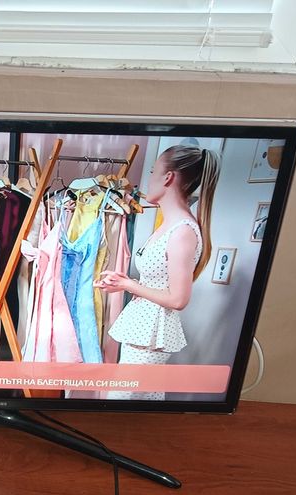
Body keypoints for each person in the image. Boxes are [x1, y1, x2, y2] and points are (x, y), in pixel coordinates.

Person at [94, 145, 221, 400]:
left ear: (168, 177)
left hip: (152, 331)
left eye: (153, 171)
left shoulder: (182, 231)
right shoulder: (169, 226)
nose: (148, 179)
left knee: (125, 399)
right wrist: (126, 282)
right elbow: (159, 282)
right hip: (143, 327)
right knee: (135, 397)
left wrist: (129, 286)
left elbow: (178, 299)